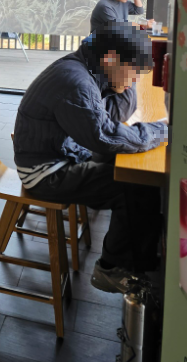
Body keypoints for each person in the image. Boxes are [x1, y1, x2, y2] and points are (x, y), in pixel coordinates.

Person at [13, 21, 168, 294]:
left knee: (129, 166)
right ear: (109, 58)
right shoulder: (76, 82)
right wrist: (162, 130)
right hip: (46, 172)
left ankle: (136, 258)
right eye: (133, 72)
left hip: (67, 153)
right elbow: (105, 136)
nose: (134, 81)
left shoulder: (89, 68)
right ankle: (111, 268)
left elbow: (117, 114)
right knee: (132, 185)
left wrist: (122, 84)